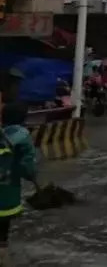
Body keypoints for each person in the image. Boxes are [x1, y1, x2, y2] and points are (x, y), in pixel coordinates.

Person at [0, 102, 39, 263]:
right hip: (6, 193)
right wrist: (31, 176)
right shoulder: (22, 135)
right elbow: (26, 166)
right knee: (2, 232)